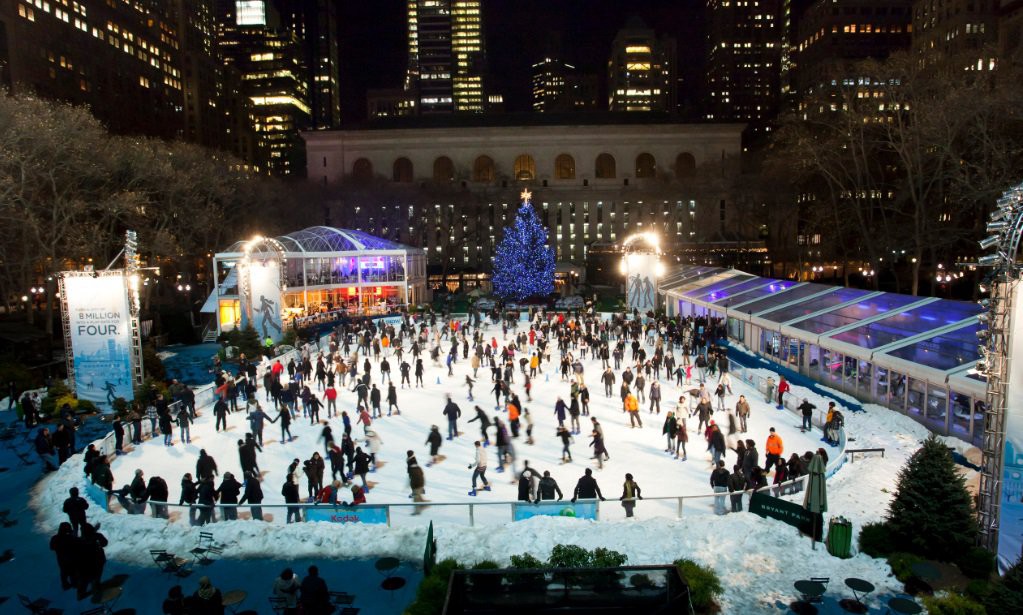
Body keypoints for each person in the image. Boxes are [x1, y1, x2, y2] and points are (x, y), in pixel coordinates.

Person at [76, 521, 108, 599]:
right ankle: (96, 590)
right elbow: (104, 543)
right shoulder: (96, 536)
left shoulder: (79, 540)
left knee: (84, 579)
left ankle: (80, 593)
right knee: (96, 576)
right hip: (97, 561)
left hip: (84, 563)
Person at [50, 522, 78, 590]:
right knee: (73, 571)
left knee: (64, 572)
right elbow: (77, 545)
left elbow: (52, 547)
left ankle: (65, 584)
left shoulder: (55, 538)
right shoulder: (70, 537)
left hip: (61, 559)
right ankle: (74, 584)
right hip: (71, 558)